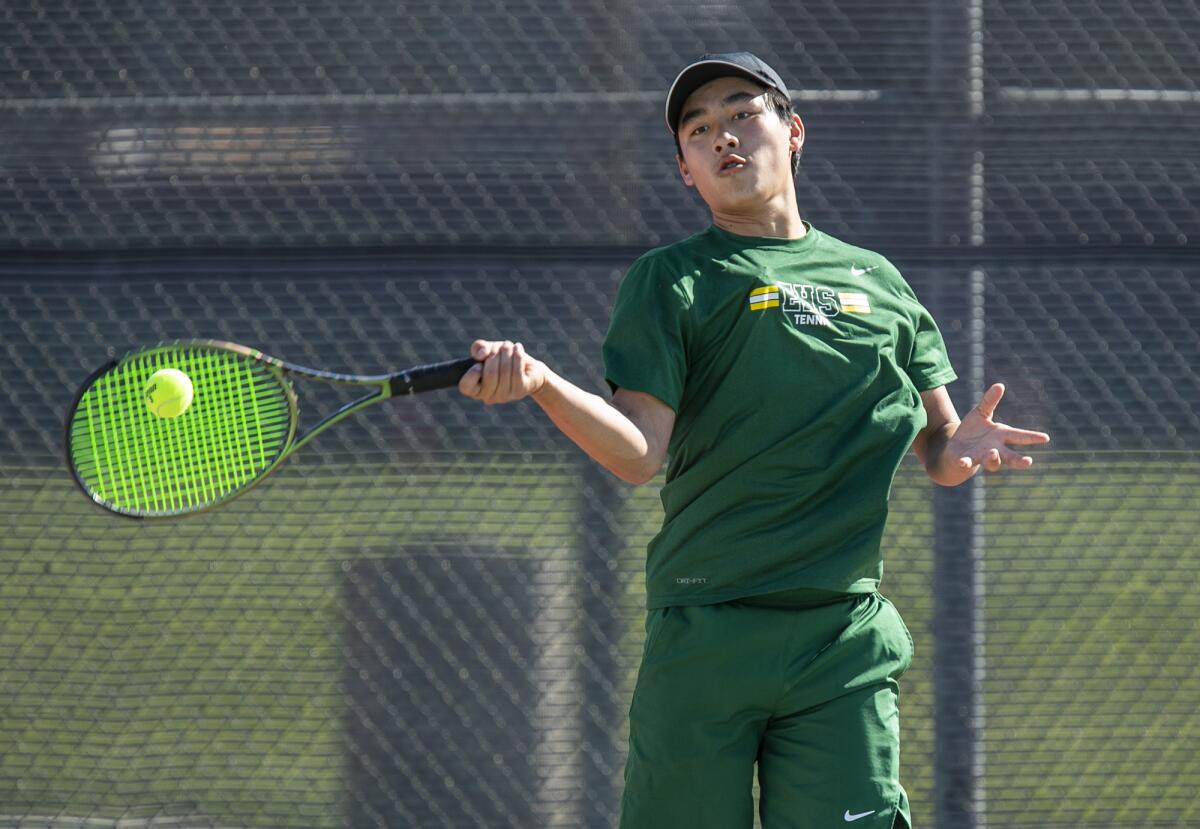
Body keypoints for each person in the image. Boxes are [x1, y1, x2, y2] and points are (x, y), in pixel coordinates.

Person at [458, 52, 1050, 829]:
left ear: (793, 130)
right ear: (686, 171)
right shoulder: (671, 281)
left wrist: (961, 447)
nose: (724, 137)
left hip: (842, 639)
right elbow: (639, 452)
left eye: (743, 113)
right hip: (708, 633)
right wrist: (539, 383)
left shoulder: (880, 282)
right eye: (699, 130)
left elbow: (937, 450)